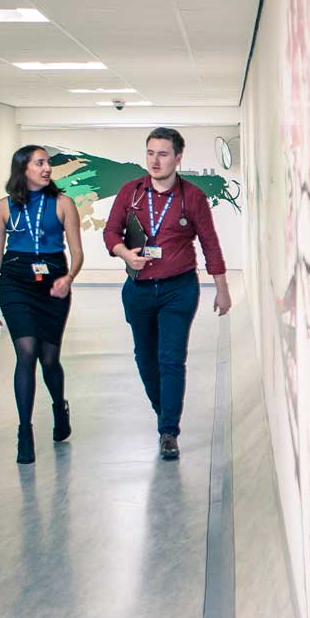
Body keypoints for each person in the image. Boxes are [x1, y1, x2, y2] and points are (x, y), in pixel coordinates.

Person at [104, 127, 232, 461]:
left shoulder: (193, 197)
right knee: (145, 359)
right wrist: (124, 253)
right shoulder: (130, 192)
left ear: (178, 157)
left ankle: (168, 432)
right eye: (150, 153)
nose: (155, 160)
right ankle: (165, 412)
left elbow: (210, 244)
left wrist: (222, 290)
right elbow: (110, 231)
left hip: (179, 289)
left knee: (171, 359)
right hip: (139, 290)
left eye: (163, 153)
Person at [0, 145, 85, 465]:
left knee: (49, 358)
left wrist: (68, 278)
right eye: (39, 163)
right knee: (26, 353)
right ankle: (24, 432)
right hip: (15, 282)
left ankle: (59, 407)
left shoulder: (64, 204)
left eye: (47, 164)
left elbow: (78, 251)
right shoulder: (2, 207)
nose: (46, 169)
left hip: (53, 283)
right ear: (22, 169)